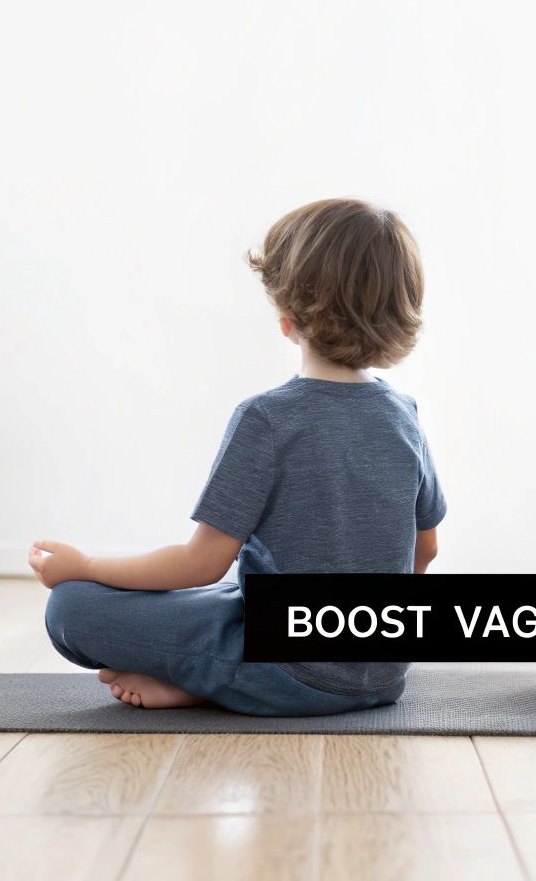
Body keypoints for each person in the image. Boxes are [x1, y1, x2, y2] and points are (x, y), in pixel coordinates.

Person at [30, 197, 446, 713]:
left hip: (289, 673)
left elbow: (200, 562)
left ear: (288, 319)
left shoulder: (267, 419)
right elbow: (424, 551)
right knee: (232, 597)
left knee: (70, 608)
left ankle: (206, 678)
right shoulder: (404, 415)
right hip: (385, 676)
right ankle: (203, 675)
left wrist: (86, 564)